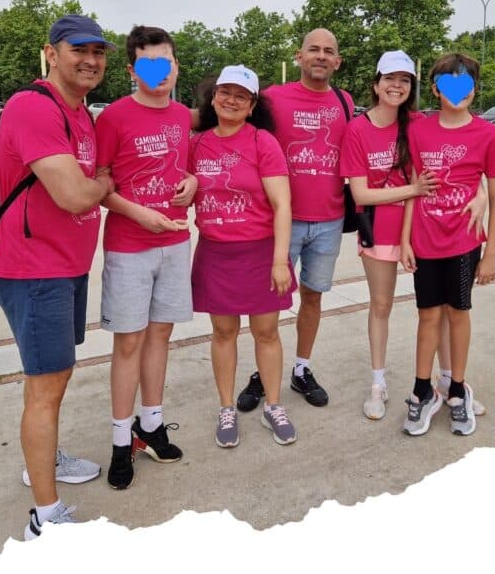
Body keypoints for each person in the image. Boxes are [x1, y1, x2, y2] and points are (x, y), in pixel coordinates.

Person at [0, 15, 117, 539]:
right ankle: (45, 515)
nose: (90, 59)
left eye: (99, 51)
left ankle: (45, 458)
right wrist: (103, 180)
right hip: (34, 269)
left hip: (65, 266)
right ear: (52, 53)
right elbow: (75, 194)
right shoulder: (32, 107)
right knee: (45, 386)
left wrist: (98, 184)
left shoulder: (80, 114)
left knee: (53, 378)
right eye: (78, 49)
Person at [340, 50, 487, 420]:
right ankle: (378, 383)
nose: (396, 86)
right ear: (376, 84)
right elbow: (361, 195)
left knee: (436, 310)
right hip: (379, 233)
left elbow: (466, 168)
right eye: (389, 79)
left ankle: (450, 383)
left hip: (424, 231)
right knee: (382, 306)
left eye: (404, 80)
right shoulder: (358, 129)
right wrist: (413, 189)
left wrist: (482, 197)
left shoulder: (420, 123)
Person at [95, 26, 196, 490]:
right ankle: (120, 441)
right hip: (130, 247)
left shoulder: (182, 116)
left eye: (166, 63)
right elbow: (101, 184)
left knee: (161, 337)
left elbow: (189, 167)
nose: (159, 72)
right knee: (129, 344)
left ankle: (150, 425)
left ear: (176, 66)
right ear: (133, 69)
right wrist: (140, 214)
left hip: (174, 244)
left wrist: (193, 183)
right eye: (148, 64)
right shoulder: (113, 116)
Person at [237, 28, 352, 412]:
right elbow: (236, 130)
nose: (320, 56)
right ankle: (261, 372)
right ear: (299, 57)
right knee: (266, 302)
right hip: (280, 222)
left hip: (329, 220)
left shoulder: (345, 102)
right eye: (313, 49)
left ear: (337, 61)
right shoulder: (271, 98)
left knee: (313, 296)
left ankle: (301, 368)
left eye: (328, 51)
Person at [400, 52, 495, 436]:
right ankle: (421, 391)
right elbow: (415, 187)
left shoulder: (487, 134)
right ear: (435, 89)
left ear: (474, 90)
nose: (458, 92)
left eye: (466, 85)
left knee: (458, 313)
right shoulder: (418, 130)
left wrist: (491, 253)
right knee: (428, 316)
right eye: (449, 84)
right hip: (425, 242)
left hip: (465, 244)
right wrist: (405, 241)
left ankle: (457, 390)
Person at [189, 65, 297, 448]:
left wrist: (280, 259)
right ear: (213, 97)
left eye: (241, 95)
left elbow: (282, 204)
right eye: (225, 92)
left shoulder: (262, 142)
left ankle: (273, 405)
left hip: (261, 252)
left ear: (252, 106)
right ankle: (226, 408)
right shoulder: (197, 144)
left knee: (266, 333)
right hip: (216, 253)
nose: (231, 100)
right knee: (223, 332)